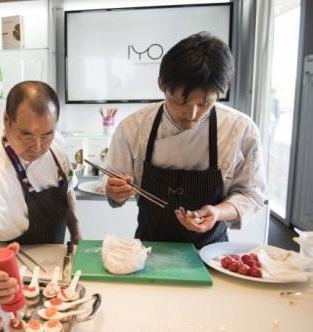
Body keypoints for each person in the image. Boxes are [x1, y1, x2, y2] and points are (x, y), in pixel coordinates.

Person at [105, 32, 268, 249]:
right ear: (162, 85)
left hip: (212, 252)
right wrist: (115, 192)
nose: (191, 115)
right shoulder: (133, 128)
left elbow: (251, 194)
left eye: (204, 104)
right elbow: (115, 195)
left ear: (219, 94)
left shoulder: (240, 130)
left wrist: (217, 212)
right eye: (180, 101)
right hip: (149, 250)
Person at [0, 81, 81, 303]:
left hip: (55, 254)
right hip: (14, 264)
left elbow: (68, 186)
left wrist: (76, 233)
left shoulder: (58, 142)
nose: (36, 146)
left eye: (46, 134)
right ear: (7, 120)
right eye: (26, 134)